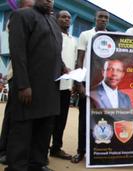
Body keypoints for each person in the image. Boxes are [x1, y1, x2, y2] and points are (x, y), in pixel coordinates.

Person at [6, 0, 65, 170]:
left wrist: (63, 67)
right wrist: (23, 85)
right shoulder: (22, 15)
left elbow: (55, 49)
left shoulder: (54, 22)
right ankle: (17, 166)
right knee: (23, 130)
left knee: (44, 128)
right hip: (30, 86)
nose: (48, 0)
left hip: (50, 87)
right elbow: (18, 52)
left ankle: (37, 164)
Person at [71, 9, 110, 163]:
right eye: (100, 17)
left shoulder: (111, 38)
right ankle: (81, 151)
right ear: (95, 18)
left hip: (103, 86)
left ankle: (98, 151)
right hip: (87, 83)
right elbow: (79, 59)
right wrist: (79, 82)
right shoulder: (85, 35)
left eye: (106, 18)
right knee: (84, 119)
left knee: (103, 119)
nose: (103, 19)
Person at [0, 0, 35, 165]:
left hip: (32, 76)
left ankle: (17, 151)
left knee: (22, 117)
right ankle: (3, 150)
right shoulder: (16, 18)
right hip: (17, 76)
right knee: (12, 116)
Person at [49, 10, 77, 160]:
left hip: (66, 86)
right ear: (57, 19)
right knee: (48, 119)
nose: (66, 19)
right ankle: (40, 148)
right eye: (63, 17)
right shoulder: (53, 36)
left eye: (69, 17)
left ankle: (56, 148)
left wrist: (73, 82)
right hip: (52, 84)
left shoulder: (73, 40)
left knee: (61, 120)